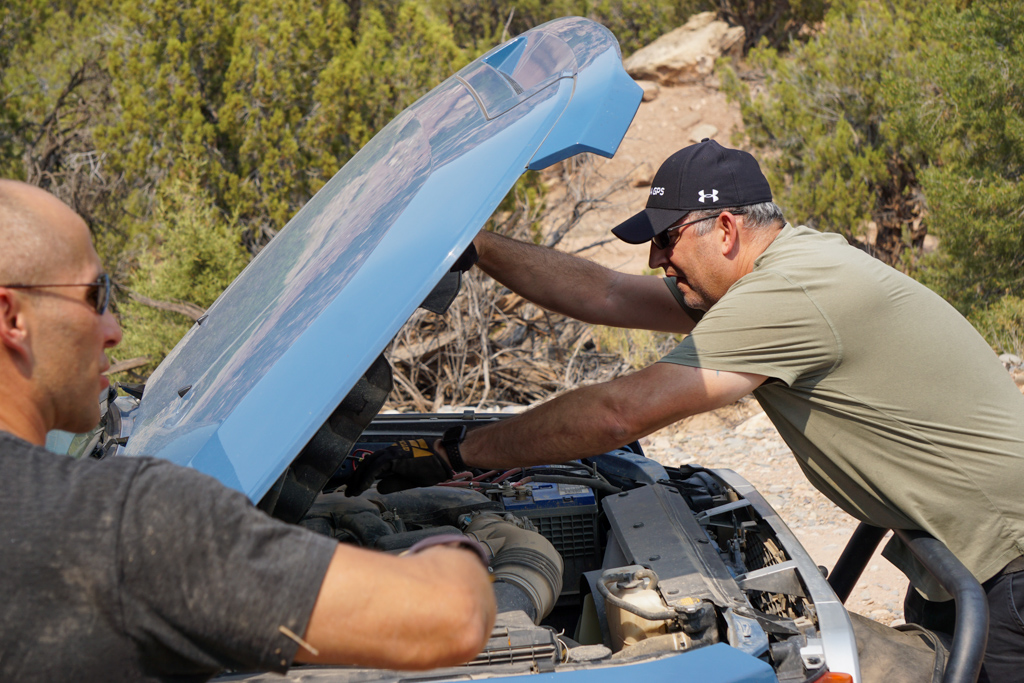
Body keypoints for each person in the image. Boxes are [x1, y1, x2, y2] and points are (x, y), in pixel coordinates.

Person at [350, 139, 1024, 681]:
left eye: (666, 240)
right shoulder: (774, 272)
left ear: (724, 228)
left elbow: (620, 413)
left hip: (1008, 561)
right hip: (960, 555)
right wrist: (482, 250)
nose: (655, 259)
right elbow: (611, 296)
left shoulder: (788, 293)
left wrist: (457, 451)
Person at [0, 180, 496, 682]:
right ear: (11, 316)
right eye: (94, 295)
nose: (113, 329)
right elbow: (453, 619)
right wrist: (465, 549)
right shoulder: (125, 523)